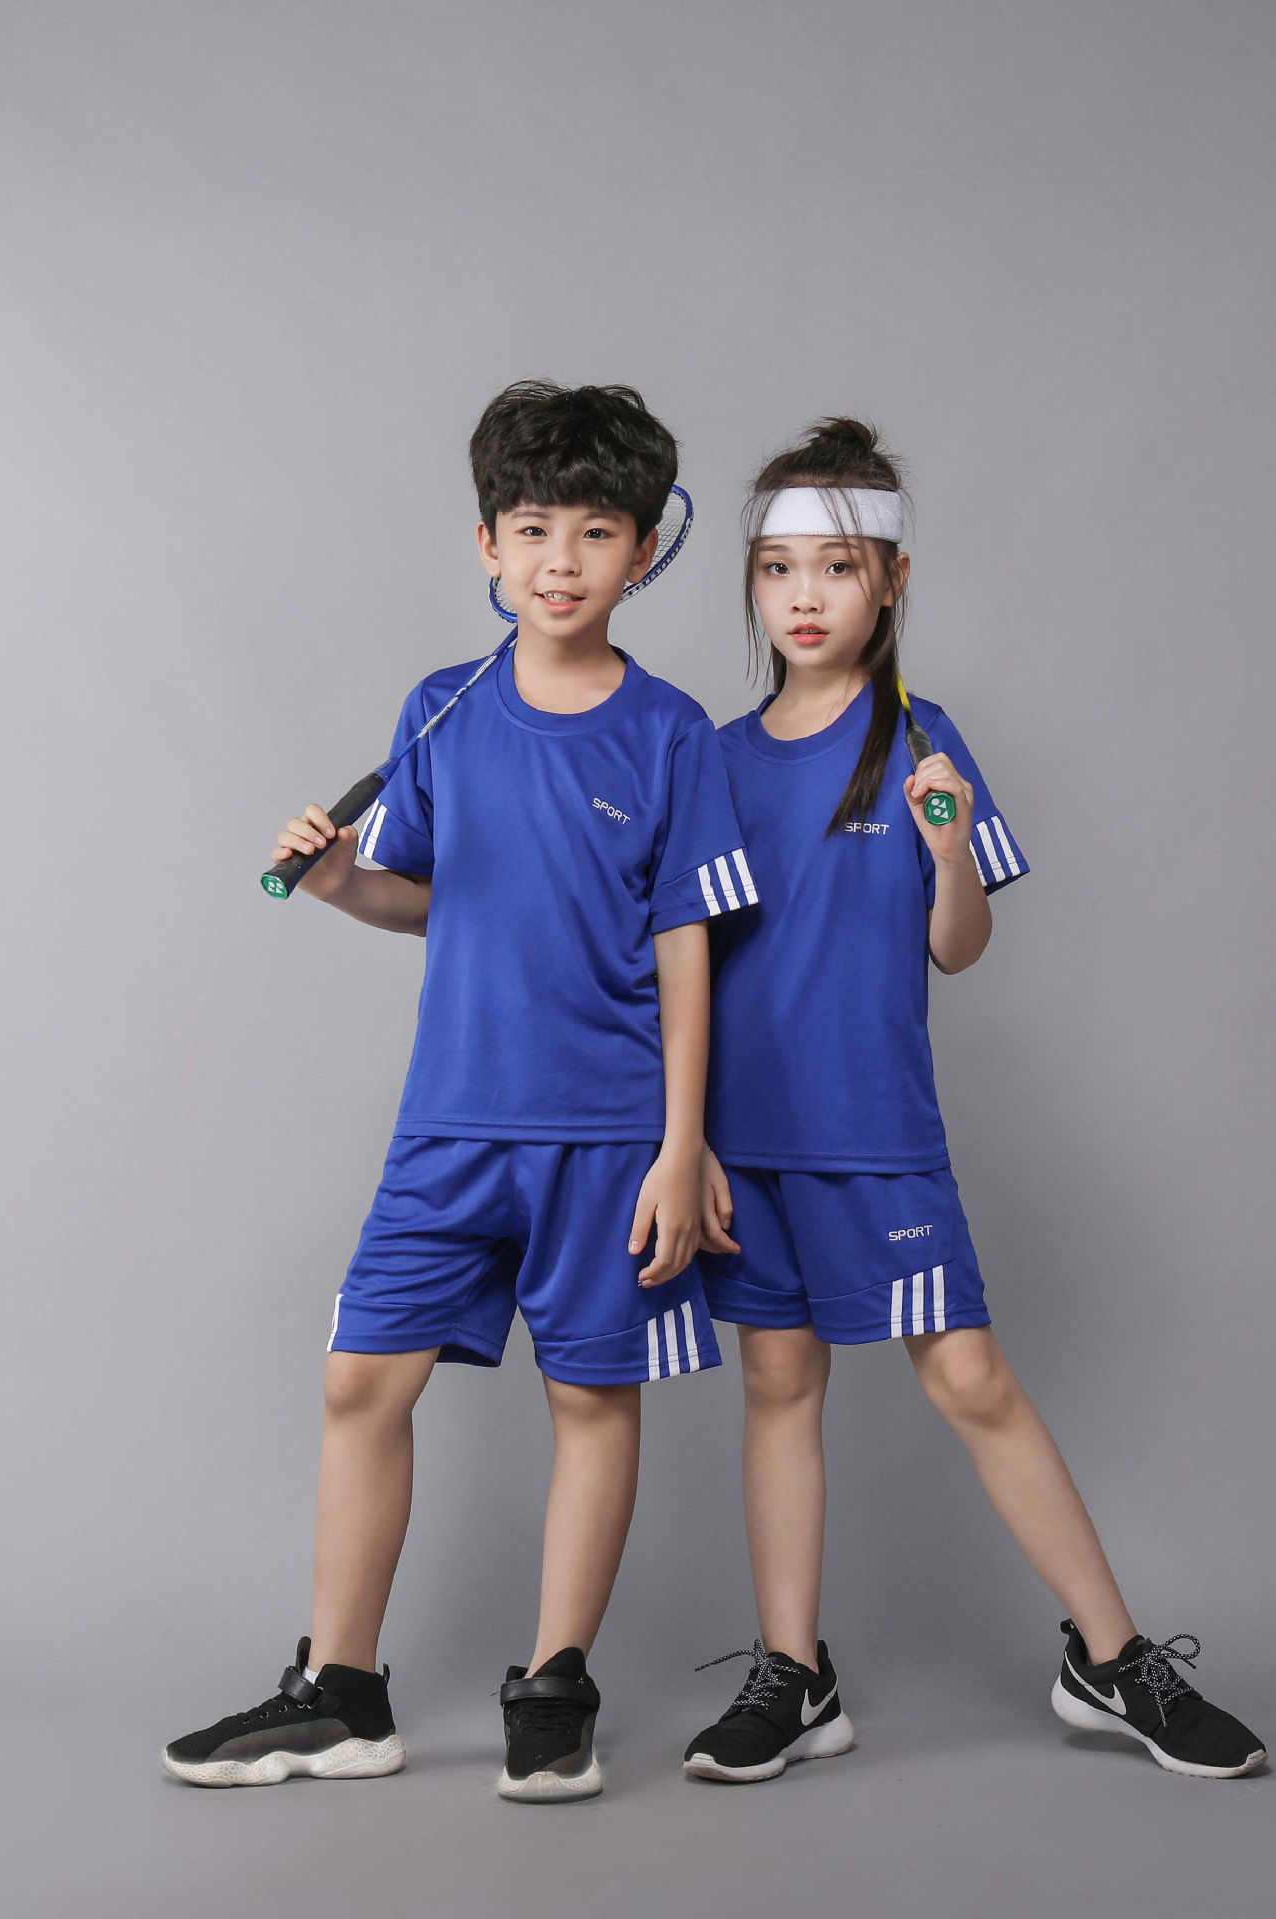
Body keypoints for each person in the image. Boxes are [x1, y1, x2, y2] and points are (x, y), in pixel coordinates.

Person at [163, 382, 753, 1803]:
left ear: (643, 553)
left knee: (592, 1399)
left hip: (608, 1133)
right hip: (451, 1123)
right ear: (487, 545)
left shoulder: (674, 733)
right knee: (361, 1379)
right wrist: (333, 879)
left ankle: (555, 1685)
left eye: (596, 531)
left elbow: (688, 951)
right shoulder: (441, 711)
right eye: (532, 528)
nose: (561, 559)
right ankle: (341, 1693)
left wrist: (683, 1144)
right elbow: (421, 898)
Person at [682, 418, 1266, 1784]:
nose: (806, 596)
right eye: (777, 568)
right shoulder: (708, 759)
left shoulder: (921, 740)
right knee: (778, 1383)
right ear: (753, 585)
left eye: (838, 567)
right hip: (740, 1144)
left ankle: (1111, 1658)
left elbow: (957, 946)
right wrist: (685, 1138)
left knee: (968, 1375)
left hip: (876, 1133)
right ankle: (794, 1674)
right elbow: (683, 967)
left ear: (892, 581)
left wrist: (947, 855)